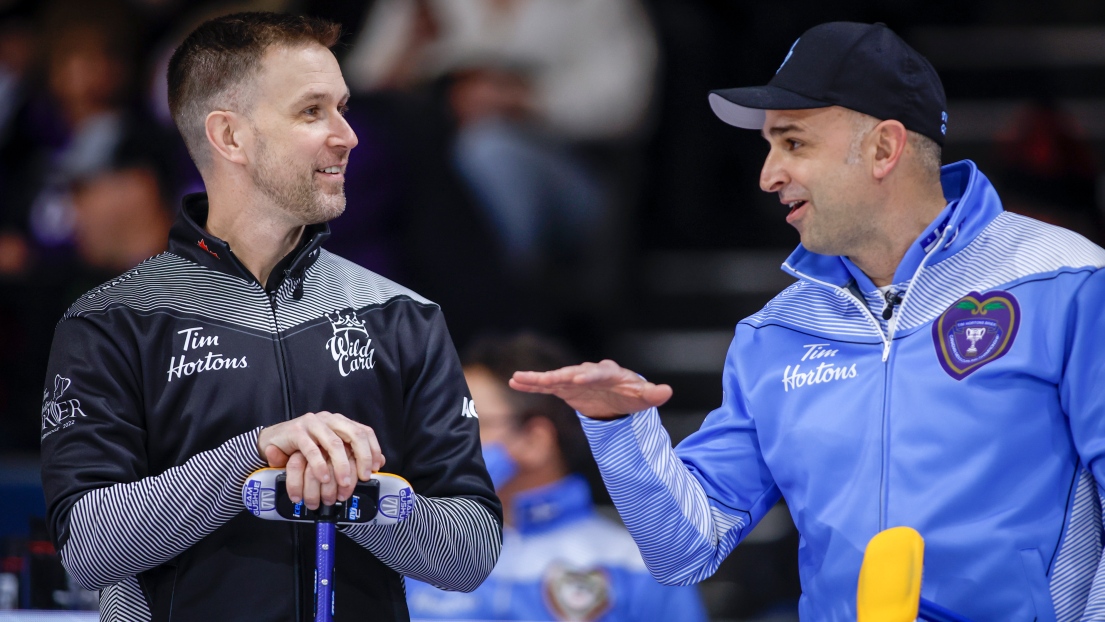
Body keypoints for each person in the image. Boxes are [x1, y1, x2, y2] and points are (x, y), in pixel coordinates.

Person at [511, 21, 1105, 621]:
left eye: (793, 144)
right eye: (769, 147)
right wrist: (617, 426)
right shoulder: (773, 335)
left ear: (883, 148)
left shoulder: (1066, 279)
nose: (768, 175)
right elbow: (683, 551)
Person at [38, 12, 501, 621]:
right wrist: (247, 461)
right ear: (230, 137)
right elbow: (87, 551)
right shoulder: (112, 320)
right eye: (312, 111)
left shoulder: (401, 315)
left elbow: (471, 553)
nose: (347, 135)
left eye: (342, 107)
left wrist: (352, 498)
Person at [406, 333, 706, 621]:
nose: (440, 439)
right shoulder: (409, 550)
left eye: (464, 423)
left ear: (534, 440)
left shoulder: (639, 567)